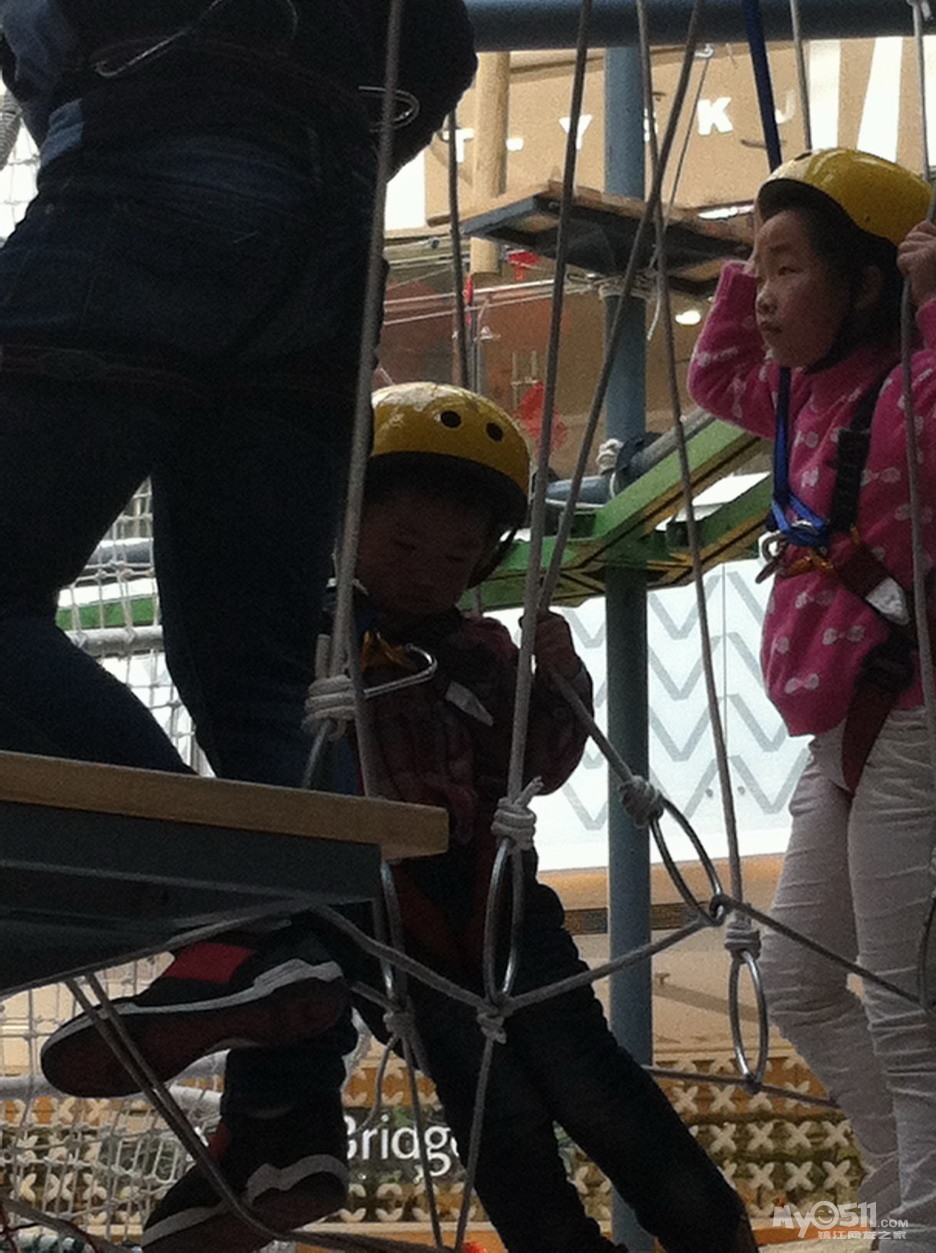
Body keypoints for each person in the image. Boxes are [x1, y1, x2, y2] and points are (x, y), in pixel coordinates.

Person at [44, 384, 758, 1253]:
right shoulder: (310, 639)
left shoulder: (481, 651)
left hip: (498, 904)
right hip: (390, 921)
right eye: (404, 543)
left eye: (455, 556)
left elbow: (535, 762)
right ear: (346, 528)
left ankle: (711, 1228)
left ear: (483, 562)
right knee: (493, 1109)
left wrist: (557, 682)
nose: (427, 570)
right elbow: (263, 735)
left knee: (588, 1075)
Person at [0, 0, 476, 1174]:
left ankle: (244, 926)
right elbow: (442, 50)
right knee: (258, 670)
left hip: (153, 159)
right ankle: (285, 1101)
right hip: (331, 235)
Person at [688, 148, 936, 1251]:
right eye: (761, 267)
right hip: (840, 728)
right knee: (797, 979)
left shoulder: (910, 389)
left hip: (910, 716)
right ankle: (906, 1193)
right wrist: (758, 256)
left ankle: (919, 1225)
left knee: (902, 997)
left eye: (791, 268)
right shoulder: (798, 392)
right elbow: (716, 377)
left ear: (869, 285)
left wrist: (932, 304)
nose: (764, 292)